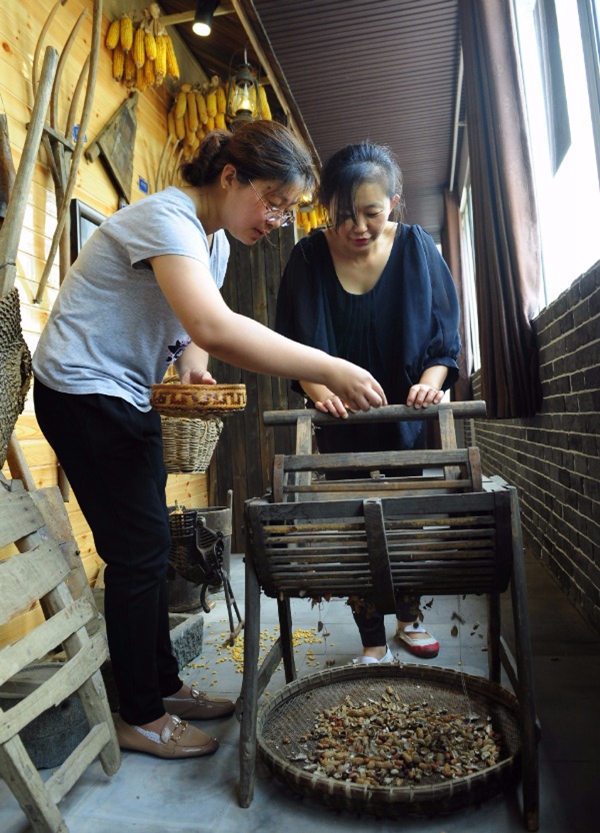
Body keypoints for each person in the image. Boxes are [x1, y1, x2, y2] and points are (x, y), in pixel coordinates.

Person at [32, 122, 386, 760]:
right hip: (81, 393)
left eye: (288, 209)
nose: (279, 219)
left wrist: (192, 360)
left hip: (123, 393)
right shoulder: (166, 218)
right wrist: (328, 366)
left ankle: (162, 688)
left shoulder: (211, 241)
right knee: (137, 554)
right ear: (230, 177)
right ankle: (138, 716)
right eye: (274, 201)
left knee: (151, 544)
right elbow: (215, 324)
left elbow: (195, 323)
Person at [275, 141, 461, 664]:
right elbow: (292, 348)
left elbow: (445, 340)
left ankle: (408, 619)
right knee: (356, 531)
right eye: (342, 216)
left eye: (371, 213)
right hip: (340, 424)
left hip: (404, 422)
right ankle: (373, 641)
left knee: (404, 524)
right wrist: (321, 394)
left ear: (395, 204)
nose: (357, 227)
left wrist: (431, 382)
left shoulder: (419, 249)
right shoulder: (309, 256)